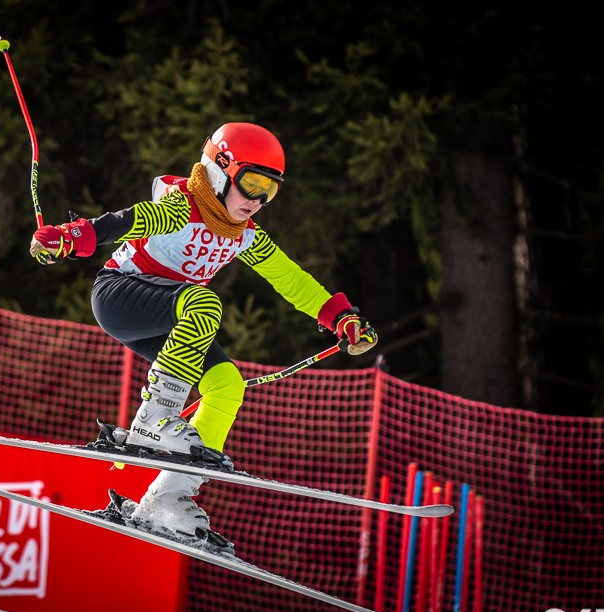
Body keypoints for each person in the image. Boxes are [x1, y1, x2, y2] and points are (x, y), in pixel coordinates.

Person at [29, 122, 378, 548]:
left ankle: (168, 497)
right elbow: (130, 220)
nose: (258, 201)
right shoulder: (183, 206)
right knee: (204, 303)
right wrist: (74, 237)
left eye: (270, 191)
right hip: (121, 295)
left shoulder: (244, 235)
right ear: (219, 170)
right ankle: (153, 421)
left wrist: (339, 316)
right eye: (252, 185)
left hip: (171, 318)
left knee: (227, 384)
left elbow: (290, 278)